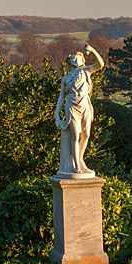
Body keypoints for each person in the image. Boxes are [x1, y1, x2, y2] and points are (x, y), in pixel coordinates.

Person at [54, 43, 104, 176]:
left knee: (86, 134)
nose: (76, 61)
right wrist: (57, 115)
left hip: (85, 105)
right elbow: (61, 97)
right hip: (71, 106)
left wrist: (92, 50)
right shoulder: (66, 78)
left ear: (83, 61)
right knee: (76, 135)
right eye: (73, 59)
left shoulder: (86, 71)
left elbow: (100, 64)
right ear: (69, 62)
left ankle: (80, 159)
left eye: (78, 59)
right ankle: (76, 165)